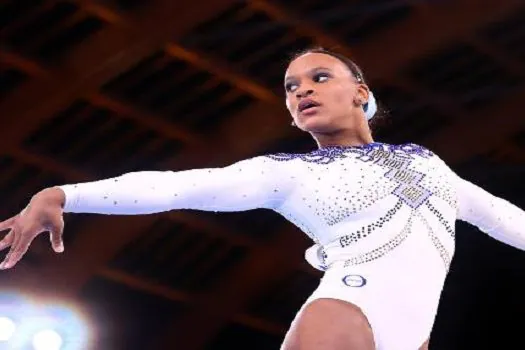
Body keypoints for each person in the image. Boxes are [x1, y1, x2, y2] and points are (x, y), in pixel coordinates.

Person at [0, 47, 523, 350]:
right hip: (350, 306)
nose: (302, 91)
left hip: (415, 335)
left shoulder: (426, 162)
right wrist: (65, 193)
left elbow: (503, 218)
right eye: (291, 88)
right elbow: (176, 185)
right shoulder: (286, 173)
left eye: (319, 78)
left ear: (360, 92)